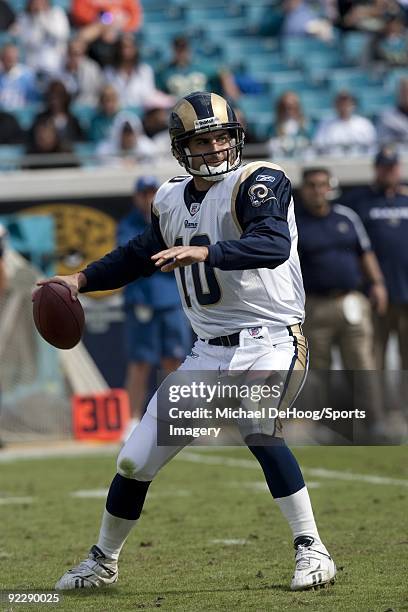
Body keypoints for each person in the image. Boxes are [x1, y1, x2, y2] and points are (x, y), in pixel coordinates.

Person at [36, 91, 336, 592]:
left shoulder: (259, 180)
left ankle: (313, 549)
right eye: (203, 140)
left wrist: (207, 254)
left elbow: (272, 242)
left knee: (258, 425)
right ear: (182, 147)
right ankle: (103, 561)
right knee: (134, 460)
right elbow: (136, 255)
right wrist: (79, 282)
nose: (216, 148)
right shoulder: (171, 197)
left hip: (271, 339)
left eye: (222, 136)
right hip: (207, 351)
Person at [296, 167, 388, 437]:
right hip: (314, 304)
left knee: (362, 364)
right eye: (312, 185)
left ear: (330, 187)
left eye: (322, 184)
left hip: (351, 301)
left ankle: (374, 422)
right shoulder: (296, 223)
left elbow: (365, 253)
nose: (317, 190)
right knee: (319, 370)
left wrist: (378, 284)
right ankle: (325, 425)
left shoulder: (346, 217)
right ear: (303, 189)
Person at [117, 176, 191, 435]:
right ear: (136, 197)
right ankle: (132, 421)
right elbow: (136, 258)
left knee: (175, 360)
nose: (149, 198)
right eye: (144, 193)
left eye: (152, 193)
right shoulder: (128, 225)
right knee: (140, 364)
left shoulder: (173, 218)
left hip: (172, 301)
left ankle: (178, 418)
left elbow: (181, 253)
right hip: (143, 304)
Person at [341, 147, 408, 375]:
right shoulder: (358, 201)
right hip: (375, 293)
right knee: (373, 359)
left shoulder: (405, 199)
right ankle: (377, 411)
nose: (389, 172)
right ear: (376, 169)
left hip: (406, 292)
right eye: (384, 167)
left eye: (393, 167)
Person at [313, 90, 377, 155]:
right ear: (335, 105)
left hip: (360, 161)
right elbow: (318, 146)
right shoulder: (325, 123)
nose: (344, 107)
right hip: (332, 161)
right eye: (340, 104)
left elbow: (372, 148)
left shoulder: (364, 124)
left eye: (347, 104)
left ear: (353, 105)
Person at [16, 0, 70, 75]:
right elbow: (29, 42)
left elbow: (61, 35)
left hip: (55, 62)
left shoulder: (57, 13)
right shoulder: (24, 17)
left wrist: (42, 19)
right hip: (32, 63)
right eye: (34, 2)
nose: (38, 5)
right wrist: (36, 18)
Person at [0, 43, 38, 110]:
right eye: (8, 57)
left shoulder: (27, 75)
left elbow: (32, 100)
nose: (10, 60)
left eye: (12, 57)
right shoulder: (1, 75)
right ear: (2, 59)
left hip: (20, 116)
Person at [376, 77, 408, 144]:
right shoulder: (386, 116)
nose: (406, 95)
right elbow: (383, 144)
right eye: (404, 91)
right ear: (398, 93)